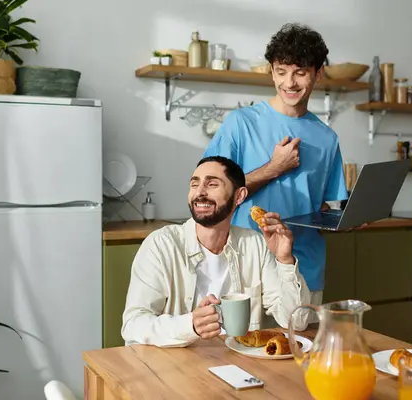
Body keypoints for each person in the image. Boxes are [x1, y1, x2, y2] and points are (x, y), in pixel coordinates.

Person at [203, 23, 348, 305]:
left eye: (300, 72)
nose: (289, 83)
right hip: (245, 271)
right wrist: (274, 168)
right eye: (281, 72)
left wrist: (348, 219)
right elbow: (211, 194)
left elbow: (320, 208)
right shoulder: (240, 124)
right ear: (271, 71)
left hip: (303, 270)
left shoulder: (327, 138)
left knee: (300, 347)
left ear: (318, 73)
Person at [121, 156, 310, 348]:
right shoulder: (161, 245)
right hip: (174, 366)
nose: (200, 193)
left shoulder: (254, 245)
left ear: (239, 196)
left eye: (212, 184)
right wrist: (190, 325)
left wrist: (285, 259)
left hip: (236, 365)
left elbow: (297, 321)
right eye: (194, 185)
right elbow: (133, 324)